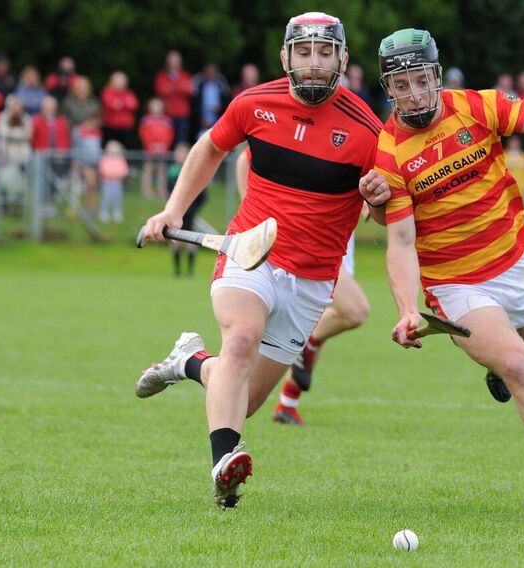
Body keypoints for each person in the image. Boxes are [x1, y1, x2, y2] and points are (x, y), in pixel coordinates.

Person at [135, 12, 385, 509]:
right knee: (242, 340)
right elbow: (210, 149)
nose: (314, 64)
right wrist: (173, 209)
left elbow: (380, 214)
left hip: (313, 280)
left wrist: (377, 198)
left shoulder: (367, 130)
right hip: (249, 256)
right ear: (285, 57)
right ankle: (224, 469)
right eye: (304, 52)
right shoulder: (254, 104)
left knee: (240, 400)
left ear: (342, 59)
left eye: (325, 52)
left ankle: (188, 361)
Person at [372, 28, 524, 519]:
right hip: (455, 284)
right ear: (388, 88)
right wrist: (406, 309)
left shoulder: (476, 105)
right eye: (400, 85)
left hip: (514, 265)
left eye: (420, 80)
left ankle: (496, 361)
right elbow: (400, 242)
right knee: (522, 368)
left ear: (436, 75)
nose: (413, 94)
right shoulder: (389, 152)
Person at [233, 147, 371, 425]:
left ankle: (287, 404)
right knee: (355, 311)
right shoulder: (300, 123)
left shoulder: (360, 129)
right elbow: (243, 160)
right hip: (302, 247)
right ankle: (191, 362)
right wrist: (251, 209)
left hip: (336, 241)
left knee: (313, 322)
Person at [167, 143, 206, 276]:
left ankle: (190, 271)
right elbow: (169, 191)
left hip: (189, 213)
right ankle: (177, 271)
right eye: (178, 153)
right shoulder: (173, 171)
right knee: (175, 241)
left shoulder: (194, 171)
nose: (180, 156)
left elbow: (202, 194)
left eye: (183, 153)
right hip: (176, 213)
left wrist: (194, 208)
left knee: (190, 241)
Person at [154, 50, 194, 146]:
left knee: (181, 141)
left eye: (176, 60)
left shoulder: (185, 75)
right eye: (172, 60)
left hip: (182, 114)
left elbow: (189, 90)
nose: (174, 63)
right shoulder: (162, 75)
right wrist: (179, 87)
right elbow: (160, 90)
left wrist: (172, 87)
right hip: (167, 113)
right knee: (167, 141)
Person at [138, 98, 174, 199]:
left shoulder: (167, 121)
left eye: (159, 105)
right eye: (154, 105)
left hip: (163, 149)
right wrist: (151, 145)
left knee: (162, 169)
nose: (157, 107)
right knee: (148, 168)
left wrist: (164, 145)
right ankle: (146, 190)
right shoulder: (146, 120)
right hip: (149, 148)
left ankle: (161, 189)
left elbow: (169, 134)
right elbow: (143, 134)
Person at [100, 71, 139, 146]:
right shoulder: (107, 92)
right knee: (109, 146)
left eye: (122, 81)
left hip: (125, 127)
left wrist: (120, 103)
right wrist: (125, 104)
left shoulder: (129, 93)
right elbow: (111, 105)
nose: (120, 83)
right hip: (110, 126)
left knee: (124, 148)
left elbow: (134, 105)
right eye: (118, 80)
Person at [97, 140, 128, 223]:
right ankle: (104, 212)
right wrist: (109, 175)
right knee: (106, 198)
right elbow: (102, 169)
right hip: (106, 182)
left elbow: (124, 171)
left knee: (117, 198)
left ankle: (116, 212)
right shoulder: (105, 159)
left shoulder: (121, 159)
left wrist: (117, 176)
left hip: (117, 183)